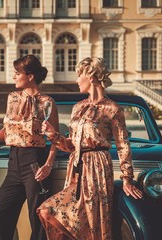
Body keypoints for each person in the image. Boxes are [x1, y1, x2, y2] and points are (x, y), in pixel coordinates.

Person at [37, 57, 143, 240]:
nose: (77, 80)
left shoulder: (112, 109)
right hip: (76, 171)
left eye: (80, 76)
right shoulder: (78, 107)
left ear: (92, 77)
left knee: (94, 221)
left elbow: (123, 145)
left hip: (98, 169)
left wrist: (127, 178)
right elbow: (71, 145)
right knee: (47, 210)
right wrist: (54, 135)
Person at [0, 55, 59, 240]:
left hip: (36, 163)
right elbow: (9, 130)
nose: (13, 76)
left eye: (17, 73)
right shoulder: (12, 98)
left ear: (30, 76)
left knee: (39, 222)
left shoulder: (47, 102)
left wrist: (49, 164)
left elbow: (55, 138)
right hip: (14, 163)